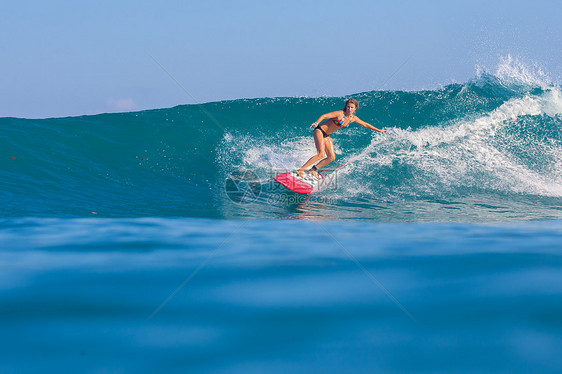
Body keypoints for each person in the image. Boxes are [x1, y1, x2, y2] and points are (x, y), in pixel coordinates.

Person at [297, 98, 387, 178]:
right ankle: (300, 170)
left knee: (331, 157)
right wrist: (316, 123)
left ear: (355, 108)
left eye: (352, 107)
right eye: (348, 107)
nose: (349, 109)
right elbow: (325, 116)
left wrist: (379, 130)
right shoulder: (340, 114)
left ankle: (313, 169)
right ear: (346, 107)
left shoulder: (353, 118)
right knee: (320, 154)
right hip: (319, 131)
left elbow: (365, 124)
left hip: (326, 135)